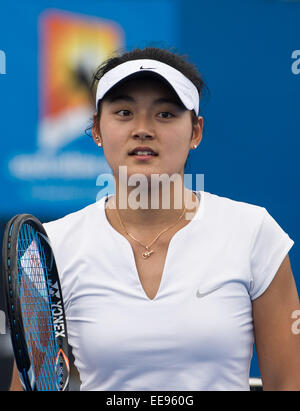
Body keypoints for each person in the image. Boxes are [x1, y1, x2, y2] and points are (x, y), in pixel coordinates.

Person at [10, 47, 300, 391]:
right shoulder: (50, 248)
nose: (143, 129)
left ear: (196, 131)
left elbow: (288, 383)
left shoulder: (254, 233)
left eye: (165, 114)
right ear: (96, 129)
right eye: (124, 112)